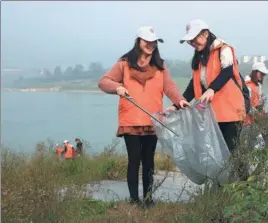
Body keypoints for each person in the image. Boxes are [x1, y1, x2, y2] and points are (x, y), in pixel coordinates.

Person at [98, 26, 189, 207]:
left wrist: (180, 101)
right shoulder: (124, 63)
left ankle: (148, 199)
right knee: (134, 160)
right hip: (130, 120)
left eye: (154, 42)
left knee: (149, 161)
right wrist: (118, 88)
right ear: (138, 41)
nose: (151, 45)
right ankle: (134, 200)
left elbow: (169, 87)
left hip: (152, 120)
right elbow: (104, 82)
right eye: (147, 41)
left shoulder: (160, 66)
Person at [165, 19, 245, 154]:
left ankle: (241, 176)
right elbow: (193, 86)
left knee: (233, 152)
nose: (192, 43)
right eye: (190, 41)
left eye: (194, 39)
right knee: (216, 154)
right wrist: (177, 105)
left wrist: (211, 89)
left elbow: (227, 71)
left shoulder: (224, 49)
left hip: (231, 113)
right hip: (212, 114)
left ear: (206, 34)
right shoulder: (200, 58)